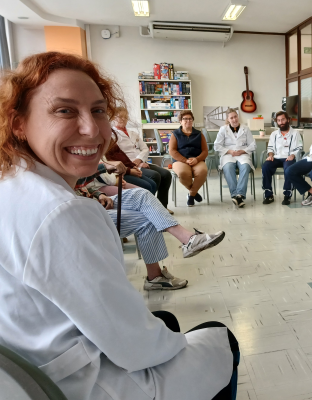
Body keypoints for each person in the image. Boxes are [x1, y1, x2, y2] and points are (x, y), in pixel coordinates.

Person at [0, 52, 238, 400]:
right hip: (82, 385)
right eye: (64, 110)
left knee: (146, 218)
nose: (92, 128)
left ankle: (166, 262)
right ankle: (184, 240)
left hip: (31, 369)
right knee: (221, 339)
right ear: (18, 122)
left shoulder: (13, 182)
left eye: (98, 110)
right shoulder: (61, 212)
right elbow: (136, 347)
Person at [75, 166, 224, 290]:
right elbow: (74, 177)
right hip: (81, 214)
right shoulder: (56, 164)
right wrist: (102, 167)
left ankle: (189, 240)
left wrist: (98, 194)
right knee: (148, 216)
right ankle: (156, 276)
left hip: (95, 200)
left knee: (142, 194)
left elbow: (80, 185)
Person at [113, 106, 173, 212]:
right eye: (120, 117)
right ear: (113, 118)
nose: (123, 119)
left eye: (125, 117)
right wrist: (135, 164)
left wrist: (139, 160)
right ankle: (150, 208)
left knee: (166, 174)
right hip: (128, 165)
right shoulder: (113, 136)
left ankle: (162, 208)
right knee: (155, 176)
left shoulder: (133, 133)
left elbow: (145, 148)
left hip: (140, 162)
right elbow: (117, 156)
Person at [214, 108, 256, 208]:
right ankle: (236, 195)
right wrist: (229, 151)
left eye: (235, 117)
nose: (234, 119)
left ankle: (239, 195)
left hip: (242, 154)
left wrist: (243, 150)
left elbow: (253, 145)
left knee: (245, 166)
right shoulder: (223, 129)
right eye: (231, 118)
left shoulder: (245, 128)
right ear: (228, 119)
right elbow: (217, 145)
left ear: (238, 117)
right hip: (228, 155)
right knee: (228, 167)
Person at [169, 110, 209, 207]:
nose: (188, 121)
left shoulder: (199, 134)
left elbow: (205, 151)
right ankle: (194, 193)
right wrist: (185, 160)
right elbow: (172, 151)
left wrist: (197, 159)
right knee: (183, 173)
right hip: (180, 160)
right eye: (185, 119)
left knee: (202, 171)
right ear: (180, 121)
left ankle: (191, 195)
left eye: (190, 119)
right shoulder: (175, 134)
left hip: (197, 159)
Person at [262, 111, 303, 205]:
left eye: (283, 119)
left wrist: (293, 155)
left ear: (288, 120)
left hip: (288, 158)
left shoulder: (296, 133)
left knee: (289, 169)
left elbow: (299, 148)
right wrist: (270, 155)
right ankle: (268, 194)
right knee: (265, 167)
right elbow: (270, 148)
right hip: (276, 158)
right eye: (279, 120)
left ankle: (287, 195)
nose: (281, 122)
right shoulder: (274, 134)